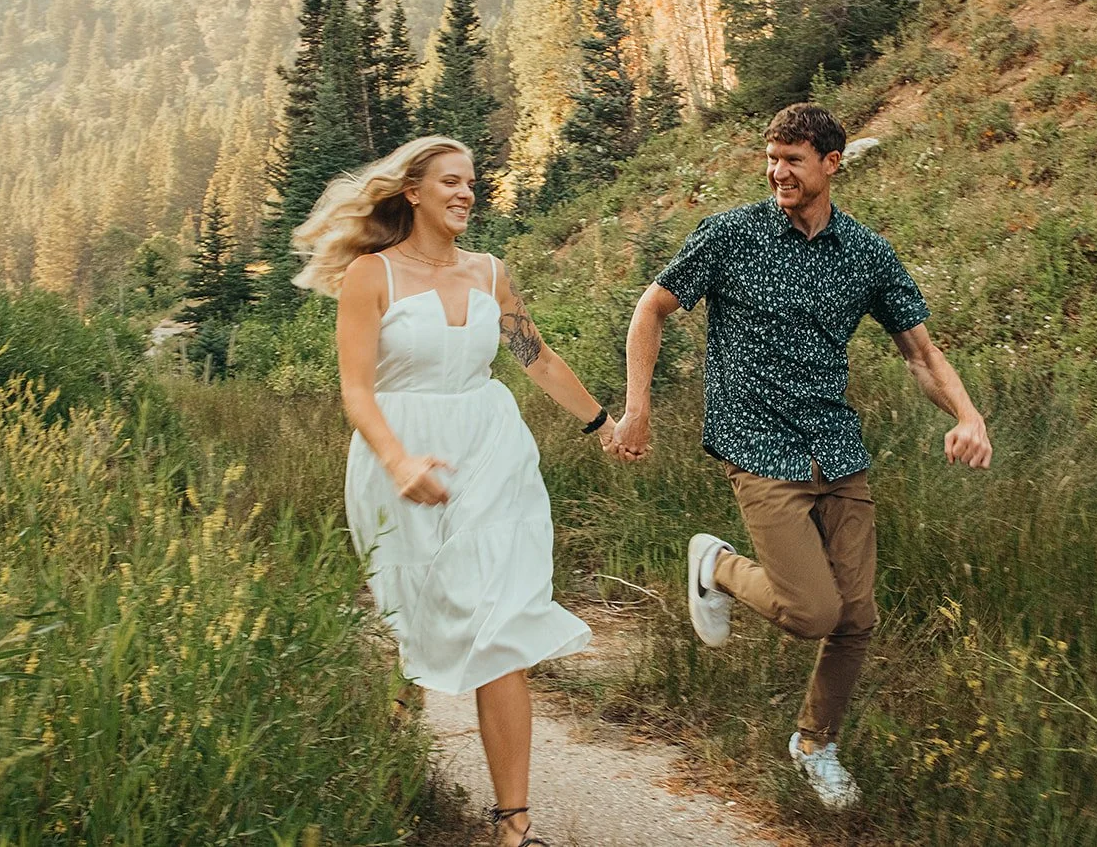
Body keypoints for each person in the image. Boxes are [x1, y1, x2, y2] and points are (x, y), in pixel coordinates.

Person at [609, 104, 993, 809]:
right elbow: (651, 308)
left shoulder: (868, 254)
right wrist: (638, 406)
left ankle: (816, 743)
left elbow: (921, 352)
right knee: (813, 610)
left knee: (858, 615)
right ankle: (715, 564)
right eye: (772, 156)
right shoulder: (731, 234)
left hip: (835, 447)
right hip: (758, 445)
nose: (777, 170)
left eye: (793, 158)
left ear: (831, 164)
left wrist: (967, 413)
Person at [293, 136, 615, 847]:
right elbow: (355, 391)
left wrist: (602, 422)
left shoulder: (490, 272)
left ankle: (515, 823)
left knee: (498, 622)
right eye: (451, 181)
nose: (467, 193)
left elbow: (536, 357)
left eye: (473, 182)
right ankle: (396, 792)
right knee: (408, 626)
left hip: (491, 452)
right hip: (399, 460)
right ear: (413, 191)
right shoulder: (370, 276)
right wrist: (400, 461)